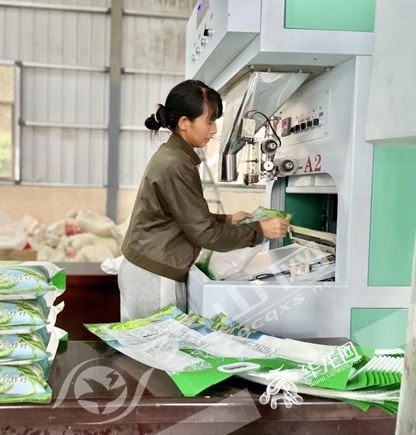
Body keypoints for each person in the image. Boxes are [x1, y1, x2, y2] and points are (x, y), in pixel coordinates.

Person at [118, 79, 290, 321]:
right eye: (209, 121)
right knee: (160, 342)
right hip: (154, 276)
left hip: (149, 268)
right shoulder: (176, 164)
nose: (215, 130)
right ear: (184, 123)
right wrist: (259, 231)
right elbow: (205, 234)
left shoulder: (175, 156)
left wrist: (227, 219)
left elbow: (182, 214)